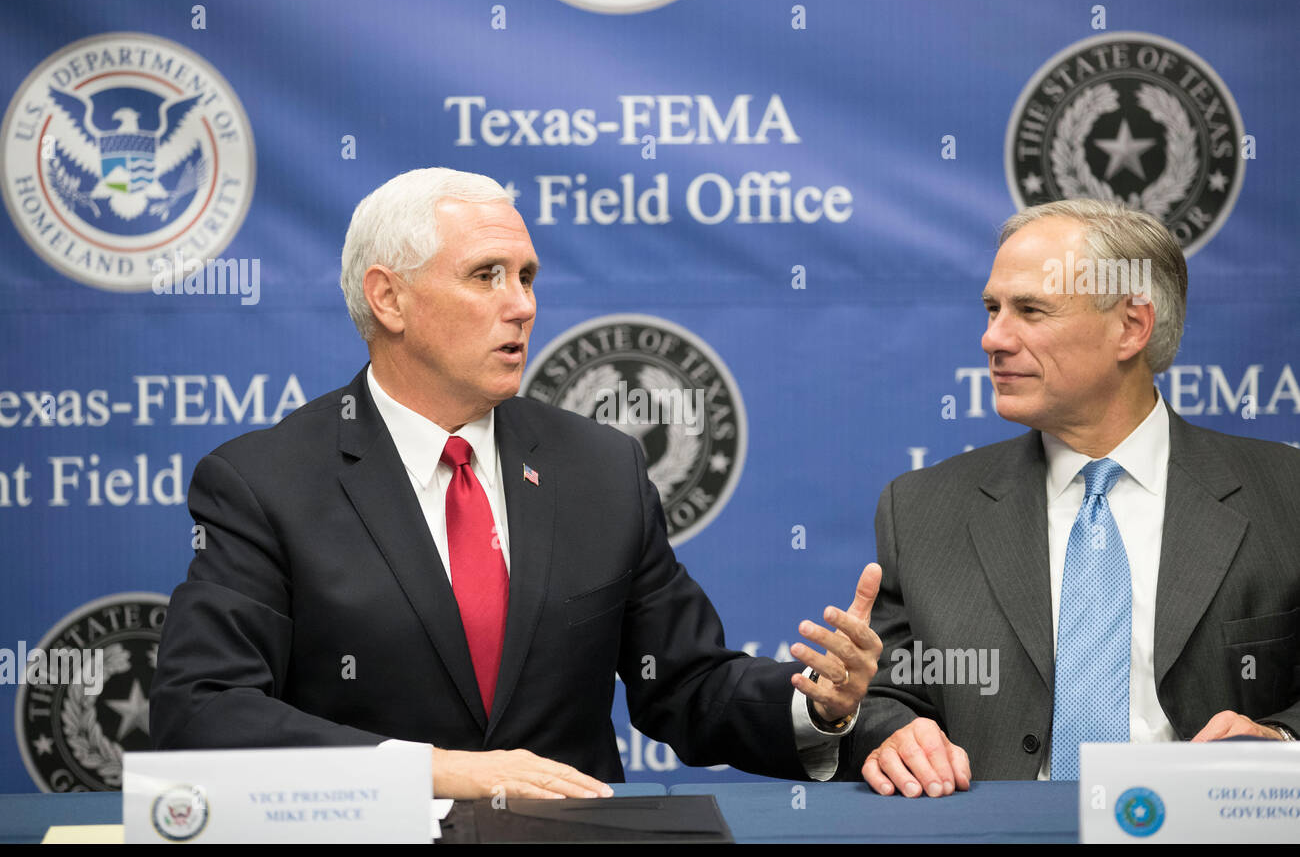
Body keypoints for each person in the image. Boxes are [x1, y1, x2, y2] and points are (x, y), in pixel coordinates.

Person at [151, 167, 882, 800]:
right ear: (388, 299)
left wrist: (814, 707)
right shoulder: (263, 482)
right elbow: (203, 712)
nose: (523, 304)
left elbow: (685, 685)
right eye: (486, 276)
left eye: (527, 277)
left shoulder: (601, 468)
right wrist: (436, 772)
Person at [850, 198, 1300, 798]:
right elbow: (888, 693)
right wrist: (896, 733)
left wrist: (1280, 742)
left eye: (1031, 310)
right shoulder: (922, 508)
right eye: (991, 308)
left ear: (1131, 327)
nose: (993, 338)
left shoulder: (1286, 493)